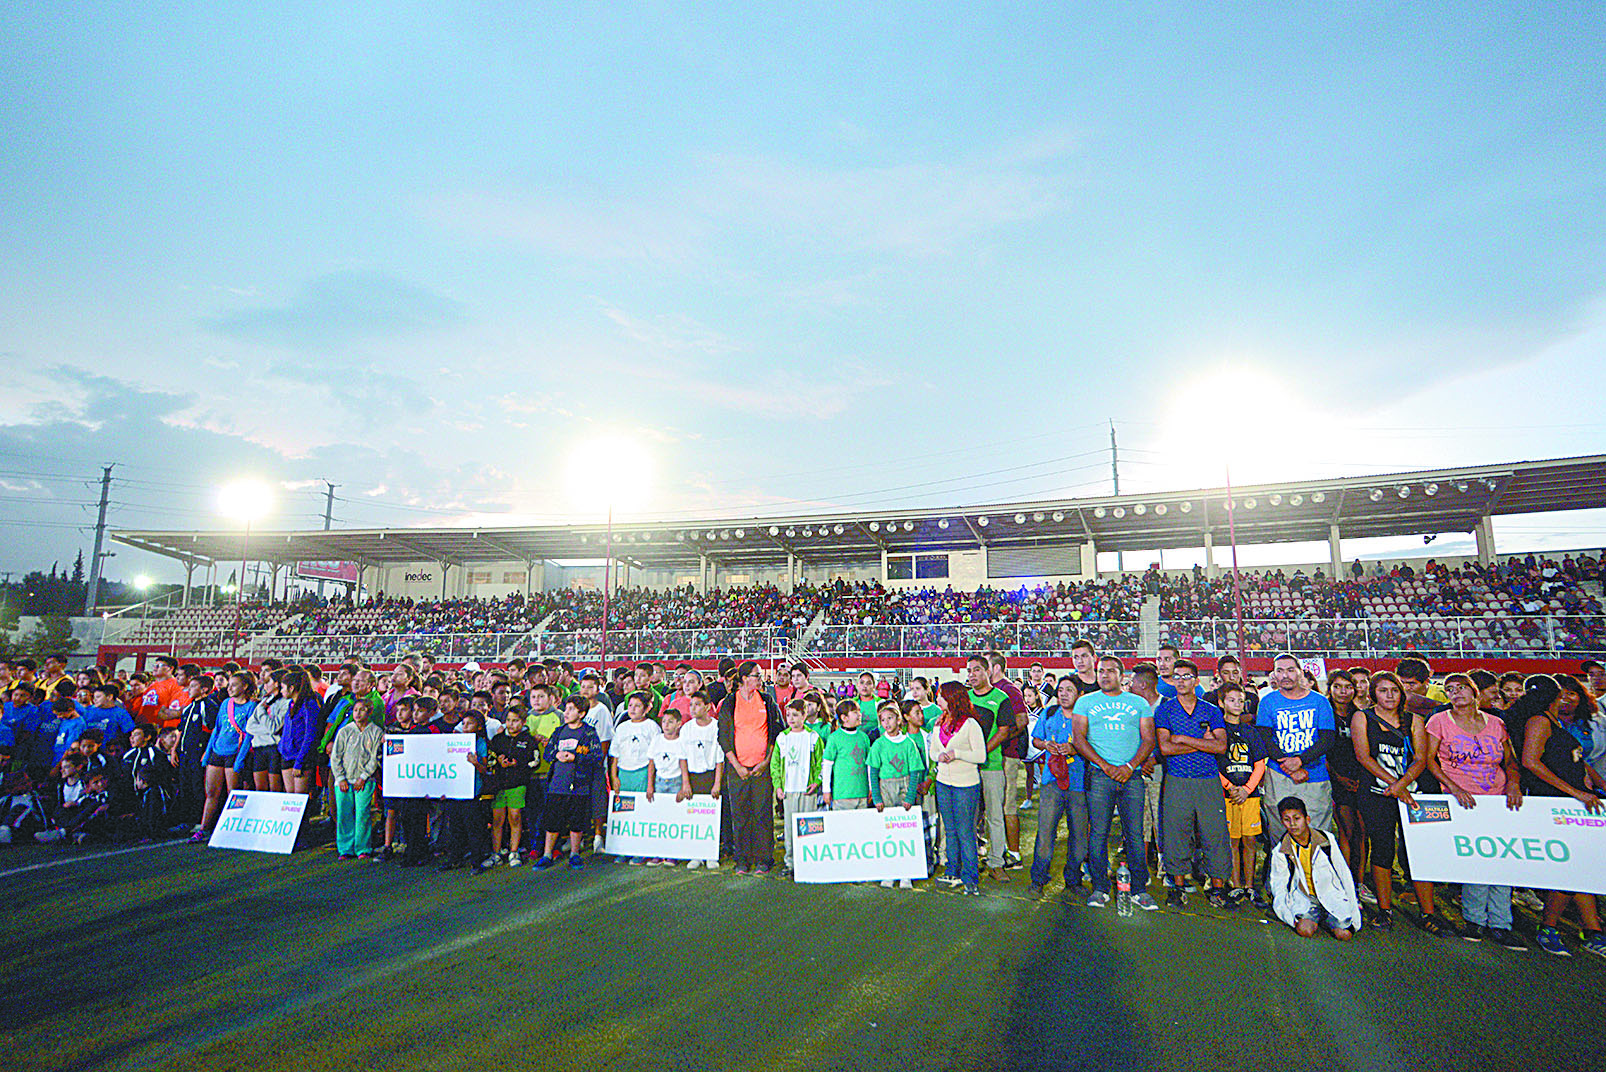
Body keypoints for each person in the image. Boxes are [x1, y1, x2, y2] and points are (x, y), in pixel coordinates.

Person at [1424, 673, 1526, 949]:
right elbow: (1430, 761)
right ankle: (1475, 919)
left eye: (1461, 688)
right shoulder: (1439, 721)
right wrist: (1454, 788)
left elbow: (1510, 760)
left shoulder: (1496, 723)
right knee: (1476, 858)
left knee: (1500, 856)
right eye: (1449, 689)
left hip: (1497, 797)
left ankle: (1501, 921)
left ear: (1475, 692)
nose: (1455, 693)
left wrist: (1513, 784)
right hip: (1461, 799)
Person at [1519, 675, 1606, 957]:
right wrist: (1575, 792)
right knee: (1570, 869)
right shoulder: (1539, 722)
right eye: (1562, 694)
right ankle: (1549, 927)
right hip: (1556, 805)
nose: (1567, 699)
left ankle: (1590, 930)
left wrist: (1598, 785)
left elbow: (1578, 759)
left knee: (1580, 869)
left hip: (1577, 803)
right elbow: (1530, 762)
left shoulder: (1556, 723)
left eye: (1572, 694)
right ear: (1553, 697)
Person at [1352, 671, 1442, 933]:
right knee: (1382, 848)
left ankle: (1428, 912)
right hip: (1376, 793)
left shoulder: (1414, 720)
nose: (1389, 695)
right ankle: (1384, 909)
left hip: (1412, 793)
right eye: (1383, 690)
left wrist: (1402, 786)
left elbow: (1421, 758)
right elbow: (1363, 756)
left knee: (1418, 851)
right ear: (1373, 694)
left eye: (1394, 690)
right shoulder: (1363, 717)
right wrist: (1395, 785)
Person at [1073, 655, 1158, 910]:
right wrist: (1105, 765)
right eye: (1101, 671)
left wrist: (1129, 766)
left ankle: (1139, 889)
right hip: (1100, 776)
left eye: (1111, 671)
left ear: (1122, 676)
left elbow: (1148, 739)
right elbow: (1079, 738)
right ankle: (1099, 887)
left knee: (1134, 834)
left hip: (1131, 776)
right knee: (1098, 833)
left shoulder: (1138, 702)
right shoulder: (1085, 702)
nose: (1105, 675)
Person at [1152, 658, 1230, 907]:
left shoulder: (1211, 710)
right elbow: (1164, 747)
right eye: (1177, 676)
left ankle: (1218, 888)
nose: (1181, 681)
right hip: (1178, 779)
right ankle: (1178, 885)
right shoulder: (1165, 709)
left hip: (1208, 780)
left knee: (1215, 833)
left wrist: (1184, 738)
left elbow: (1220, 746)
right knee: (1176, 832)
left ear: (1196, 681)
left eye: (1187, 676)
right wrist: (1202, 744)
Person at [1256, 653, 1336, 833]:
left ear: (1300, 672)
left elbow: (1327, 739)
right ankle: (1284, 862)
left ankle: (1319, 863)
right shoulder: (1268, 702)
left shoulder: (1319, 701)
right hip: (1279, 775)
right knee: (1281, 830)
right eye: (1280, 671)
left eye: (1290, 670)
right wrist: (1289, 766)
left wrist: (1300, 761)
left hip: (1314, 774)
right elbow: (1265, 738)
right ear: (1274, 675)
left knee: (1318, 831)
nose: (1285, 675)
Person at [716, 661, 783, 876]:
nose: (760, 679)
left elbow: (775, 733)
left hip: (762, 768)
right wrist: (736, 766)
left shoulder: (767, 700)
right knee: (740, 814)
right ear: (744, 678)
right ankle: (742, 859)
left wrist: (766, 761)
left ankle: (764, 858)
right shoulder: (729, 702)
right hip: (738, 769)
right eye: (756, 675)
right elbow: (723, 737)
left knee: (763, 813)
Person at [1027, 675, 1089, 900]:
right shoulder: (1049, 713)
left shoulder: (1086, 718)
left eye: (1069, 690)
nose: (1063, 694)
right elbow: (1035, 740)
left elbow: (1093, 746)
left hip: (1079, 784)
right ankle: (1038, 878)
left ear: (1080, 694)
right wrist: (1046, 744)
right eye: (1061, 690)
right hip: (1051, 783)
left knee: (1079, 835)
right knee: (1045, 832)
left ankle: (1073, 879)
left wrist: (1075, 749)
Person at [1268, 797, 1360, 940]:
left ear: (1307, 819)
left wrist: (1354, 914)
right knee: (1305, 930)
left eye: (1297, 818)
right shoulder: (1281, 851)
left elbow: (1344, 874)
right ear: (1282, 822)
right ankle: (1317, 917)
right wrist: (1288, 916)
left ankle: (1329, 917)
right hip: (1306, 898)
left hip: (1331, 894)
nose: (1292, 824)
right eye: (1287, 820)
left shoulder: (1326, 840)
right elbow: (1278, 886)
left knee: (1344, 934)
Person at [535, 695, 602, 871]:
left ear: (581, 713)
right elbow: (548, 752)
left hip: (579, 786)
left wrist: (576, 757)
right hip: (557, 784)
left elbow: (595, 757)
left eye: (571, 709)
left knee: (576, 821)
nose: (566, 712)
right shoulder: (559, 731)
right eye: (566, 709)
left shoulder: (588, 733)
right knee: (552, 820)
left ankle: (575, 853)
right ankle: (547, 854)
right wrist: (557, 755)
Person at [933, 681, 987, 896]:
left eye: (940, 695)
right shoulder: (939, 722)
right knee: (951, 829)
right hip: (943, 783)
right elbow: (933, 751)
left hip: (966, 785)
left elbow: (980, 755)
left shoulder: (971, 724)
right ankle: (952, 871)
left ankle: (970, 877)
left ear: (951, 698)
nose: (937, 699)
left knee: (966, 831)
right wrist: (939, 756)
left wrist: (957, 754)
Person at [966, 654, 1016, 882]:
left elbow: (1004, 731)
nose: (972, 675)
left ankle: (997, 862)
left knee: (995, 816)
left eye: (976, 670)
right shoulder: (965, 698)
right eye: (969, 671)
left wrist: (981, 753)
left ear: (988, 672)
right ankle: (969, 861)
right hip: (966, 768)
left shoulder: (1001, 698)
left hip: (991, 765)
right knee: (969, 816)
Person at [1215, 682, 1266, 905]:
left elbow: (1260, 763)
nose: (1237, 704)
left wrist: (1246, 789)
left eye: (1240, 700)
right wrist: (1229, 787)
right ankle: (1235, 885)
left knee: (1250, 841)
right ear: (1221, 703)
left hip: (1249, 796)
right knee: (1232, 841)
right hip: (1228, 796)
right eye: (1231, 700)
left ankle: (1249, 885)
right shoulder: (1218, 731)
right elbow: (1213, 764)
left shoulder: (1250, 731)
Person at [190, 671, 255, 842]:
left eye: (234, 685)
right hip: (218, 752)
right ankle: (204, 829)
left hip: (235, 753)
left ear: (245, 686)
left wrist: (240, 759)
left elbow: (249, 735)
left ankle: (236, 828)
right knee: (211, 792)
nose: (230, 688)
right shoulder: (226, 703)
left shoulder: (250, 707)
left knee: (234, 793)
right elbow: (217, 730)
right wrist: (208, 753)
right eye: (230, 685)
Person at [866, 701, 923, 889]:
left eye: (890, 718)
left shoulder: (909, 743)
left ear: (899, 720)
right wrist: (877, 797)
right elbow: (873, 771)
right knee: (887, 833)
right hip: (885, 788)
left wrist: (910, 797)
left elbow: (915, 771)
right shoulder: (879, 744)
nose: (887, 723)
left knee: (904, 832)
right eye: (883, 720)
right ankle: (889, 872)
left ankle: (906, 874)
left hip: (904, 786)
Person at [1324, 669, 1367, 901]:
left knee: (1362, 833)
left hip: (1360, 779)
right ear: (1330, 688)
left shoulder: (1361, 715)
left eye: (1348, 687)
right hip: (1335, 779)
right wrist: (1338, 778)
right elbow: (1323, 750)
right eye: (1338, 686)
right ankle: (1344, 881)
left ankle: (1359, 883)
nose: (1343, 692)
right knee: (1345, 831)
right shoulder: (1324, 712)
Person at [330, 687, 384, 860]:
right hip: (344, 781)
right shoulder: (345, 731)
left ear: (369, 712)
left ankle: (363, 848)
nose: (358, 713)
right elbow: (336, 756)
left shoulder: (376, 731)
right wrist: (340, 778)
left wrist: (363, 777)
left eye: (362, 710)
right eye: (355, 710)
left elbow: (374, 757)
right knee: (344, 814)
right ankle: (345, 848)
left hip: (364, 780)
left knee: (362, 814)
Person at [770, 699, 823, 875]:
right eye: (788, 715)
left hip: (808, 791)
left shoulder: (813, 737)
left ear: (804, 715)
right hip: (789, 791)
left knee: (809, 827)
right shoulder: (782, 738)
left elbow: (820, 762)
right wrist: (778, 786)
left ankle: (809, 860)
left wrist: (816, 782)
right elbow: (775, 764)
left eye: (795, 715)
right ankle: (790, 863)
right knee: (790, 828)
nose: (791, 719)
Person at [987, 652, 1028, 870]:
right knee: (995, 806)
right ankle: (1000, 848)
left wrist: (1001, 738)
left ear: (996, 668)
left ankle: (1014, 853)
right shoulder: (989, 690)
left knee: (1007, 805)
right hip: (994, 755)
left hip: (1007, 755)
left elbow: (1022, 720)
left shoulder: (1009, 689)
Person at [439, 710, 494, 874]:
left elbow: (485, 770)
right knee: (455, 827)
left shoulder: (481, 743)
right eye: (463, 723)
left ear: (478, 726)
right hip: (454, 790)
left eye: (469, 723)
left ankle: (477, 861)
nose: (465, 726)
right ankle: (455, 858)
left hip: (472, 791)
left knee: (473, 828)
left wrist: (476, 763)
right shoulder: (454, 741)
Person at [488, 708, 537, 867]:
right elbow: (489, 759)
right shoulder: (497, 739)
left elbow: (535, 762)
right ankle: (496, 852)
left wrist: (519, 764)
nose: (511, 724)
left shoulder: (528, 740)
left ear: (523, 723)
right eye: (508, 720)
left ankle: (514, 851)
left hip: (518, 784)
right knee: (497, 819)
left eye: (515, 720)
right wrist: (498, 761)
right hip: (499, 785)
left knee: (515, 817)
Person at [822, 699, 872, 812]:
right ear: (844, 718)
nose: (859, 715)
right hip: (842, 794)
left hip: (862, 793)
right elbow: (827, 765)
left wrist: (871, 787)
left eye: (859, 711)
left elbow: (869, 764)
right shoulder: (834, 738)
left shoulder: (864, 737)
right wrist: (826, 790)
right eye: (855, 712)